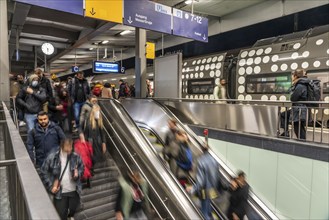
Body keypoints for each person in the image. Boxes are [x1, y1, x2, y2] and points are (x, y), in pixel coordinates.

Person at [40, 137, 84, 220]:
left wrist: (78, 173)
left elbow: (82, 167)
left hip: (74, 191)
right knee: (61, 214)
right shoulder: (52, 157)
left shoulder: (75, 156)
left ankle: (70, 216)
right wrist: (50, 185)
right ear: (61, 145)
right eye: (67, 146)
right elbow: (43, 171)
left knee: (73, 210)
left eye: (71, 146)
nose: (70, 148)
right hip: (60, 193)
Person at [186, 144, 220, 220]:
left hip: (205, 191)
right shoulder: (215, 161)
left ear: (202, 150)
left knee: (204, 213)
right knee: (209, 210)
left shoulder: (201, 161)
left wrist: (193, 189)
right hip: (213, 190)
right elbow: (218, 177)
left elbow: (200, 181)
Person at [280, 69, 308, 139]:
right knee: (284, 115)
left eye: (292, 76)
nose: (292, 77)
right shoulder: (300, 84)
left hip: (299, 110)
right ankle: (286, 132)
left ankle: (302, 143)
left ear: (295, 76)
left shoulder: (300, 86)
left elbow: (293, 98)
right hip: (299, 109)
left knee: (298, 127)